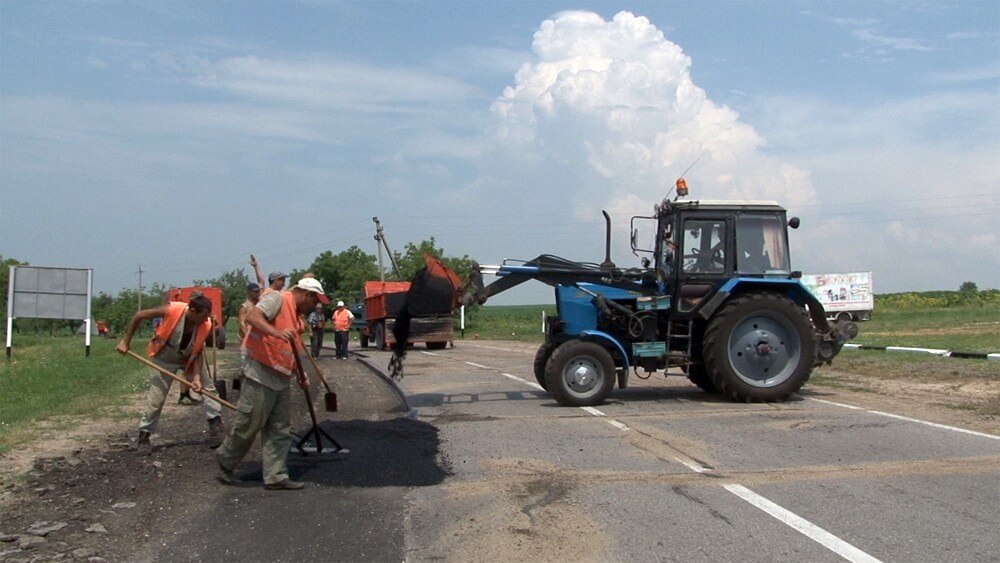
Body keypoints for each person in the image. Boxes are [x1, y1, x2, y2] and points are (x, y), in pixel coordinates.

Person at [215, 277, 330, 490]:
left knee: (280, 429)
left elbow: (292, 350)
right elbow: (253, 317)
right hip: (260, 370)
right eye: (314, 301)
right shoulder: (277, 299)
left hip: (280, 376)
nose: (314, 306)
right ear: (306, 295)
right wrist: (277, 333)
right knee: (249, 424)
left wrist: (300, 373)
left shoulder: (296, 316)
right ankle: (225, 460)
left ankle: (276, 476)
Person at [116, 294, 223, 454]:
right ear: (193, 310)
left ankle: (216, 428)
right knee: (156, 398)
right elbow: (139, 315)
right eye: (203, 315)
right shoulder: (172, 309)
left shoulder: (205, 324)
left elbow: (198, 352)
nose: (205, 319)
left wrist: (196, 378)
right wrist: (126, 341)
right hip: (165, 357)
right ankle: (144, 436)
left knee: (208, 390)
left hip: (189, 358)